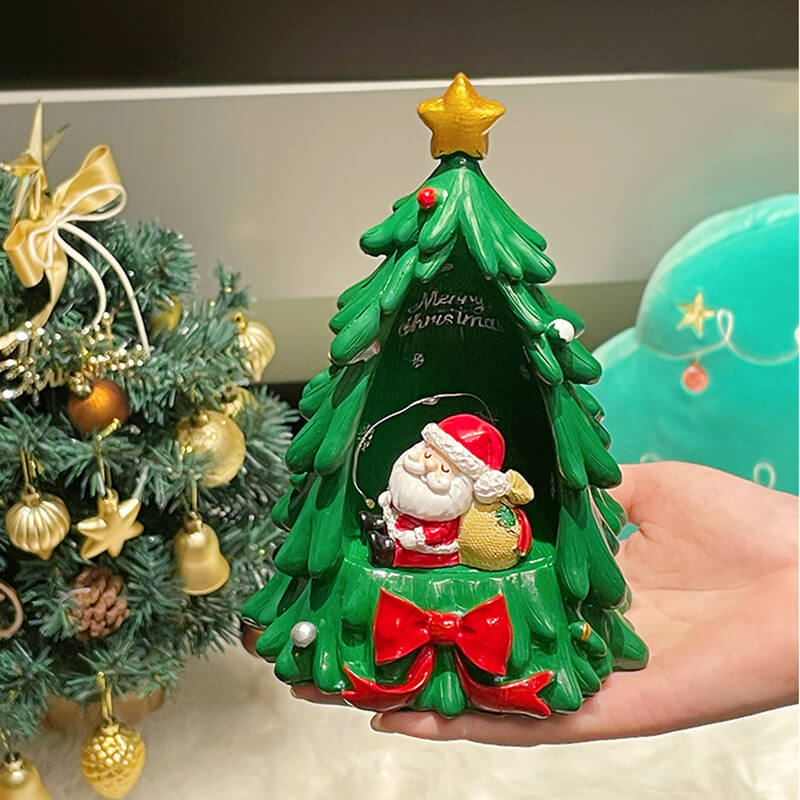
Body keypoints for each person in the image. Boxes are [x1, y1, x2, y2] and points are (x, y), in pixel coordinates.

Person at [293, 461, 799, 745]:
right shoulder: (403, 497)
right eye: (428, 458)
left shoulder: (470, 513)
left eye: (441, 465)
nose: (428, 468)